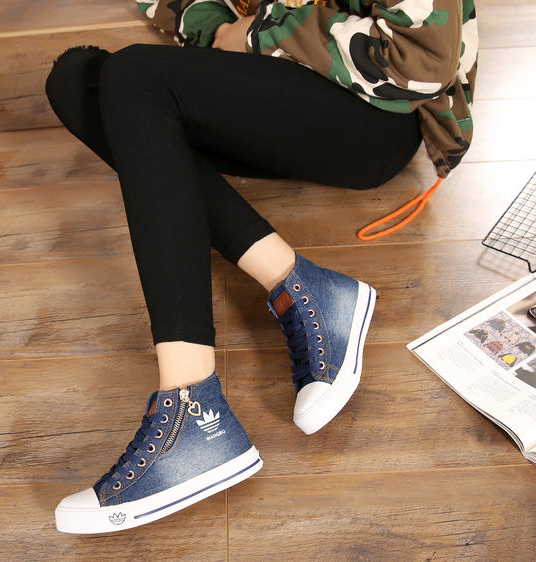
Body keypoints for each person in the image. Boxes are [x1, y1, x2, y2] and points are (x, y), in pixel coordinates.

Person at [46, 0, 477, 534]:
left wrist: (259, 34)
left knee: (135, 76)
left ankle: (193, 406)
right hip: (274, 75)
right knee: (77, 79)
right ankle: (299, 282)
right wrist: (227, 33)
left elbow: (422, 62)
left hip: (377, 107)